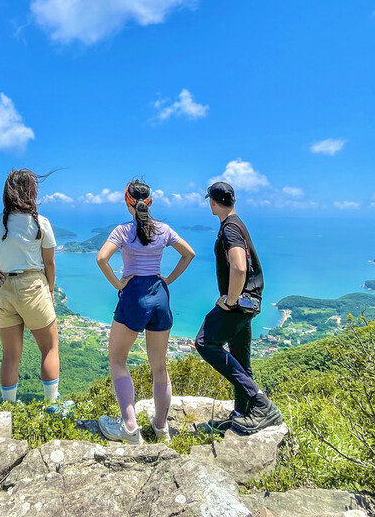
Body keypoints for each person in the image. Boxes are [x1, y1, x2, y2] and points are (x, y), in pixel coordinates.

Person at [95, 181, 196, 444]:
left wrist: (118, 284)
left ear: (126, 200)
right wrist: (168, 280)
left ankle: (130, 429)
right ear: (150, 202)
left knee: (118, 360)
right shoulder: (163, 229)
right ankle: (161, 428)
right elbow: (189, 254)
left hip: (134, 296)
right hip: (160, 296)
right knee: (159, 367)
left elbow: (101, 259)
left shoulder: (123, 231)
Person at [0, 169, 61, 405]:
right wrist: (50, 290)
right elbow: (49, 263)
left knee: (10, 356)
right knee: (49, 349)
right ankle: (51, 407)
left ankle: (9, 408)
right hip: (32, 286)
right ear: (31, 192)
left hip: (4, 287)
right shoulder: (40, 223)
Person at [195, 181, 283, 434]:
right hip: (251, 302)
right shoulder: (237, 223)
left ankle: (261, 404)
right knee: (241, 360)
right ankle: (241, 414)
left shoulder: (230, 229)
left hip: (239, 303)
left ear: (212, 202)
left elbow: (239, 266)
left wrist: (230, 300)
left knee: (204, 342)